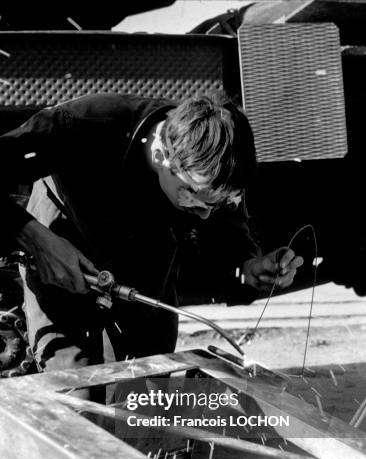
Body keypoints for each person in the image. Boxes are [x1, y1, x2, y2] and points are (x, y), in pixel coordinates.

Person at [0, 92, 302, 378]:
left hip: (144, 253)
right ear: (160, 156)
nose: (206, 213)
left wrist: (248, 266)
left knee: (144, 391)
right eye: (192, 198)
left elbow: (228, 231)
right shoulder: (84, 125)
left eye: (219, 203)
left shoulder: (210, 167)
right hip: (63, 243)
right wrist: (34, 238)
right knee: (75, 394)